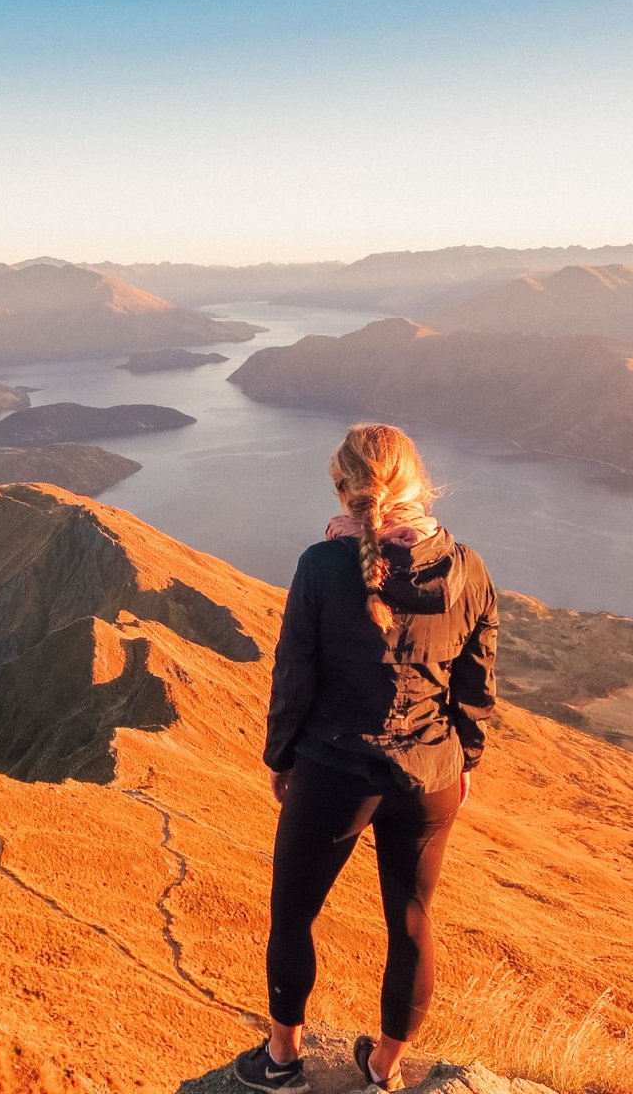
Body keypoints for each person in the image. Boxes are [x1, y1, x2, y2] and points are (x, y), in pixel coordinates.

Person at [233, 422, 498, 1094]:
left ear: (344, 487)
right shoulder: (467, 567)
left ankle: (283, 1062)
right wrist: (463, 761)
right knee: (411, 921)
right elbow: (477, 682)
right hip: (430, 775)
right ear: (416, 480)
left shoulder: (322, 565)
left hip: (333, 768)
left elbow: (295, 674)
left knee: (293, 913)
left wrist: (281, 757)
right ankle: (384, 1068)